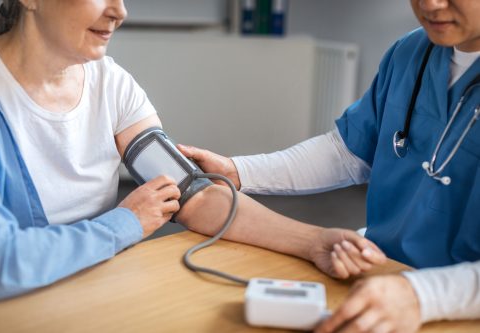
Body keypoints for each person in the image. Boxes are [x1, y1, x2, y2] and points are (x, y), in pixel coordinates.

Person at [0, 0, 387, 302]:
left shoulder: (110, 83)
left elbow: (193, 194)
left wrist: (315, 242)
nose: (119, 11)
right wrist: (125, 223)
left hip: (91, 287)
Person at [177, 0, 480, 331]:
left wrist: (422, 296)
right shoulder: (411, 52)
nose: (430, 4)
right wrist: (238, 171)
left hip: (458, 304)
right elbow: (348, 153)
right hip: (379, 269)